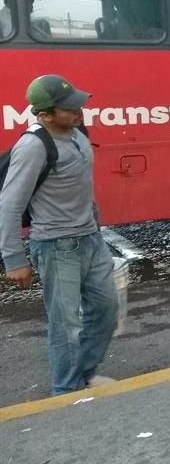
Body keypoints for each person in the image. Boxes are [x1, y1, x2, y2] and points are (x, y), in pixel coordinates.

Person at [0, 75, 118, 394]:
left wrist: (94, 222)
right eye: (69, 108)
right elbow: (10, 204)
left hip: (91, 239)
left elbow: (82, 185)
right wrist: (14, 259)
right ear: (45, 114)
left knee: (107, 310)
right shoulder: (33, 146)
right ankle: (66, 392)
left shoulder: (78, 134)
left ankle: (85, 373)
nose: (78, 110)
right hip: (56, 246)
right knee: (66, 326)